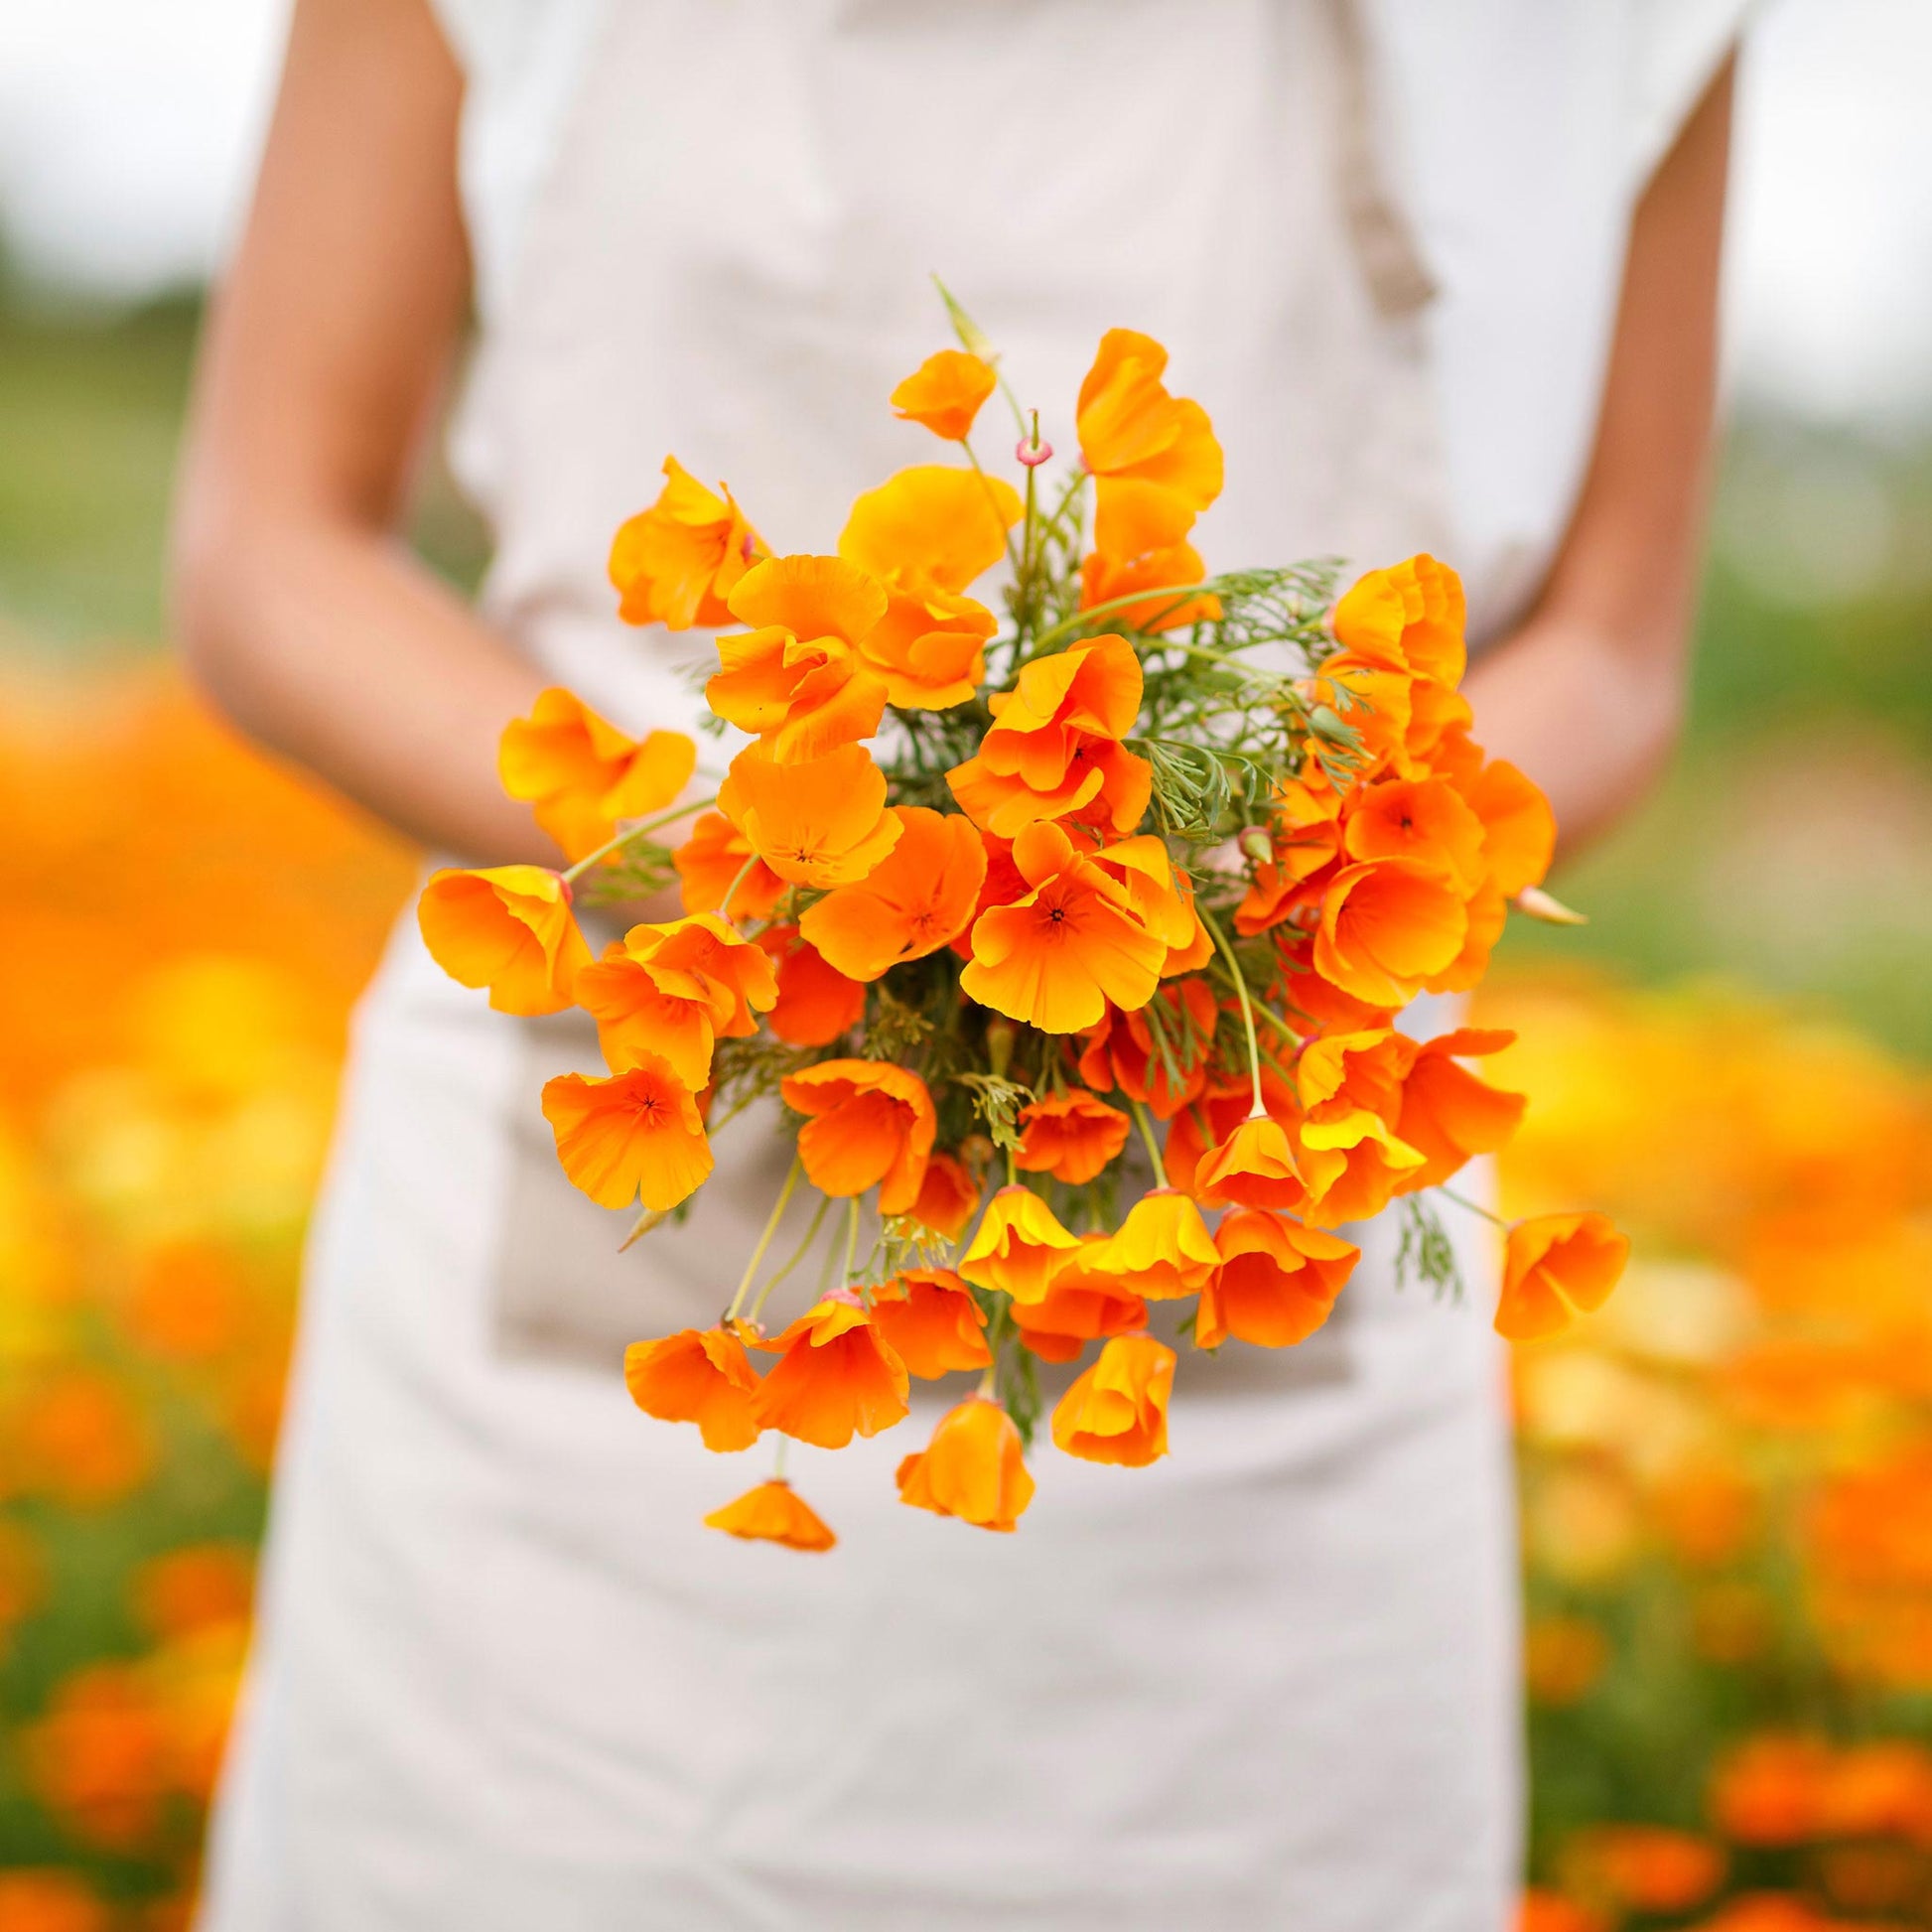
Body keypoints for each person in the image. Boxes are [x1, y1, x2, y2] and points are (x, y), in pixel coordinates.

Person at [172, 3, 1745, 1926]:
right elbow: (267, 547)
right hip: (561, 1383)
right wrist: (728, 863)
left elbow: (1613, 647)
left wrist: (1271, 875)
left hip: (1276, 1326)